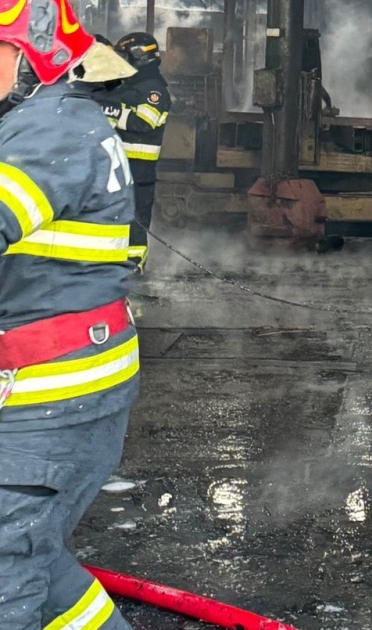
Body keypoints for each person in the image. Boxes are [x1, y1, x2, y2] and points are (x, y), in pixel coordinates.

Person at [0, 1, 141, 628]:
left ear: (33, 54)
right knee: (32, 553)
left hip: (50, 401)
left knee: (7, 568)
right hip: (59, 386)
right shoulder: (39, 122)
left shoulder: (48, 134)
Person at [111, 32, 171, 271]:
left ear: (138, 57)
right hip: (120, 164)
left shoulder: (154, 91)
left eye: (125, 56)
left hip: (139, 168)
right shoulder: (129, 86)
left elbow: (143, 122)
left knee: (136, 218)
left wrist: (110, 112)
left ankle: (134, 263)